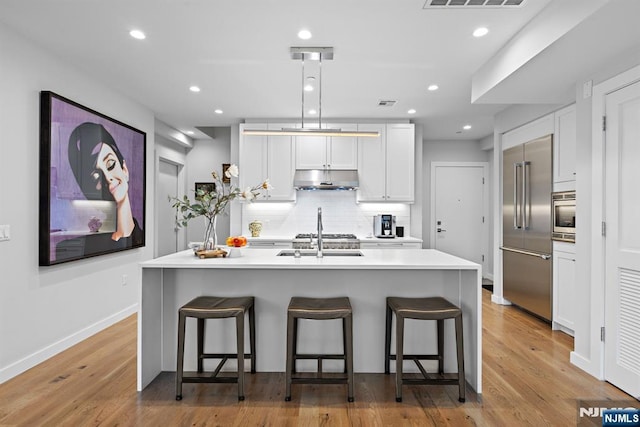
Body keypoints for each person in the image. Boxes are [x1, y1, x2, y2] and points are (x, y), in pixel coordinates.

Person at [56, 122, 143, 261]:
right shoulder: (94, 244)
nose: (108, 178)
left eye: (110, 164)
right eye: (95, 175)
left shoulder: (139, 238)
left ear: (124, 169)